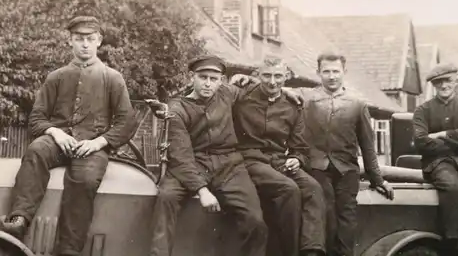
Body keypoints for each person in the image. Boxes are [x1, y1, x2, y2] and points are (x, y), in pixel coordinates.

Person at [231, 51, 394, 256]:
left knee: (347, 220)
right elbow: (274, 84)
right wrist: (249, 79)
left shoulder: (357, 104)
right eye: (326, 71)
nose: (332, 76)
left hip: (346, 169)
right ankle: (312, 251)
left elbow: (368, 145)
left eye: (336, 71)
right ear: (318, 73)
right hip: (316, 166)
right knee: (324, 212)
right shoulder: (306, 96)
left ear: (344, 72)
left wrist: (377, 179)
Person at [0, 16, 138, 256]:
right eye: (79, 39)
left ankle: (69, 249)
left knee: (84, 181)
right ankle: (19, 221)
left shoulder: (112, 78)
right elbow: (37, 118)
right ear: (70, 41)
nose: (85, 44)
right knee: (36, 151)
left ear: (99, 42)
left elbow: (126, 122)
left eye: (90, 39)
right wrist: (55, 133)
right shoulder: (56, 77)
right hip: (58, 141)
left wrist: (98, 143)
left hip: (92, 147)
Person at [148, 55, 269, 256]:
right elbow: (181, 156)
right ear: (191, 77)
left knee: (255, 220)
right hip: (193, 164)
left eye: (214, 79)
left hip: (229, 165)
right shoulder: (177, 109)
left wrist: (249, 78)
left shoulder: (227, 93)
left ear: (221, 80)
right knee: (166, 198)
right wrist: (202, 191)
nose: (208, 84)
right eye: (202, 77)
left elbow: (263, 87)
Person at [231, 56, 326, 256]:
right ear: (257, 74)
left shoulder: (293, 105)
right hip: (249, 158)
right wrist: (238, 77)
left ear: (287, 77)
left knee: (313, 188)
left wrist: (296, 159)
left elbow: (299, 146)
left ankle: (311, 250)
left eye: (278, 76)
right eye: (266, 75)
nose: (272, 81)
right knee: (288, 189)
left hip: (279, 161)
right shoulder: (242, 95)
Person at [413, 63, 458, 256]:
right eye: (438, 83)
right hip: (438, 162)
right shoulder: (423, 110)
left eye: (448, 81)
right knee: (451, 186)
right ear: (434, 86)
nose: (444, 86)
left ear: (456, 82)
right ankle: (450, 242)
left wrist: (441, 134)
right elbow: (421, 142)